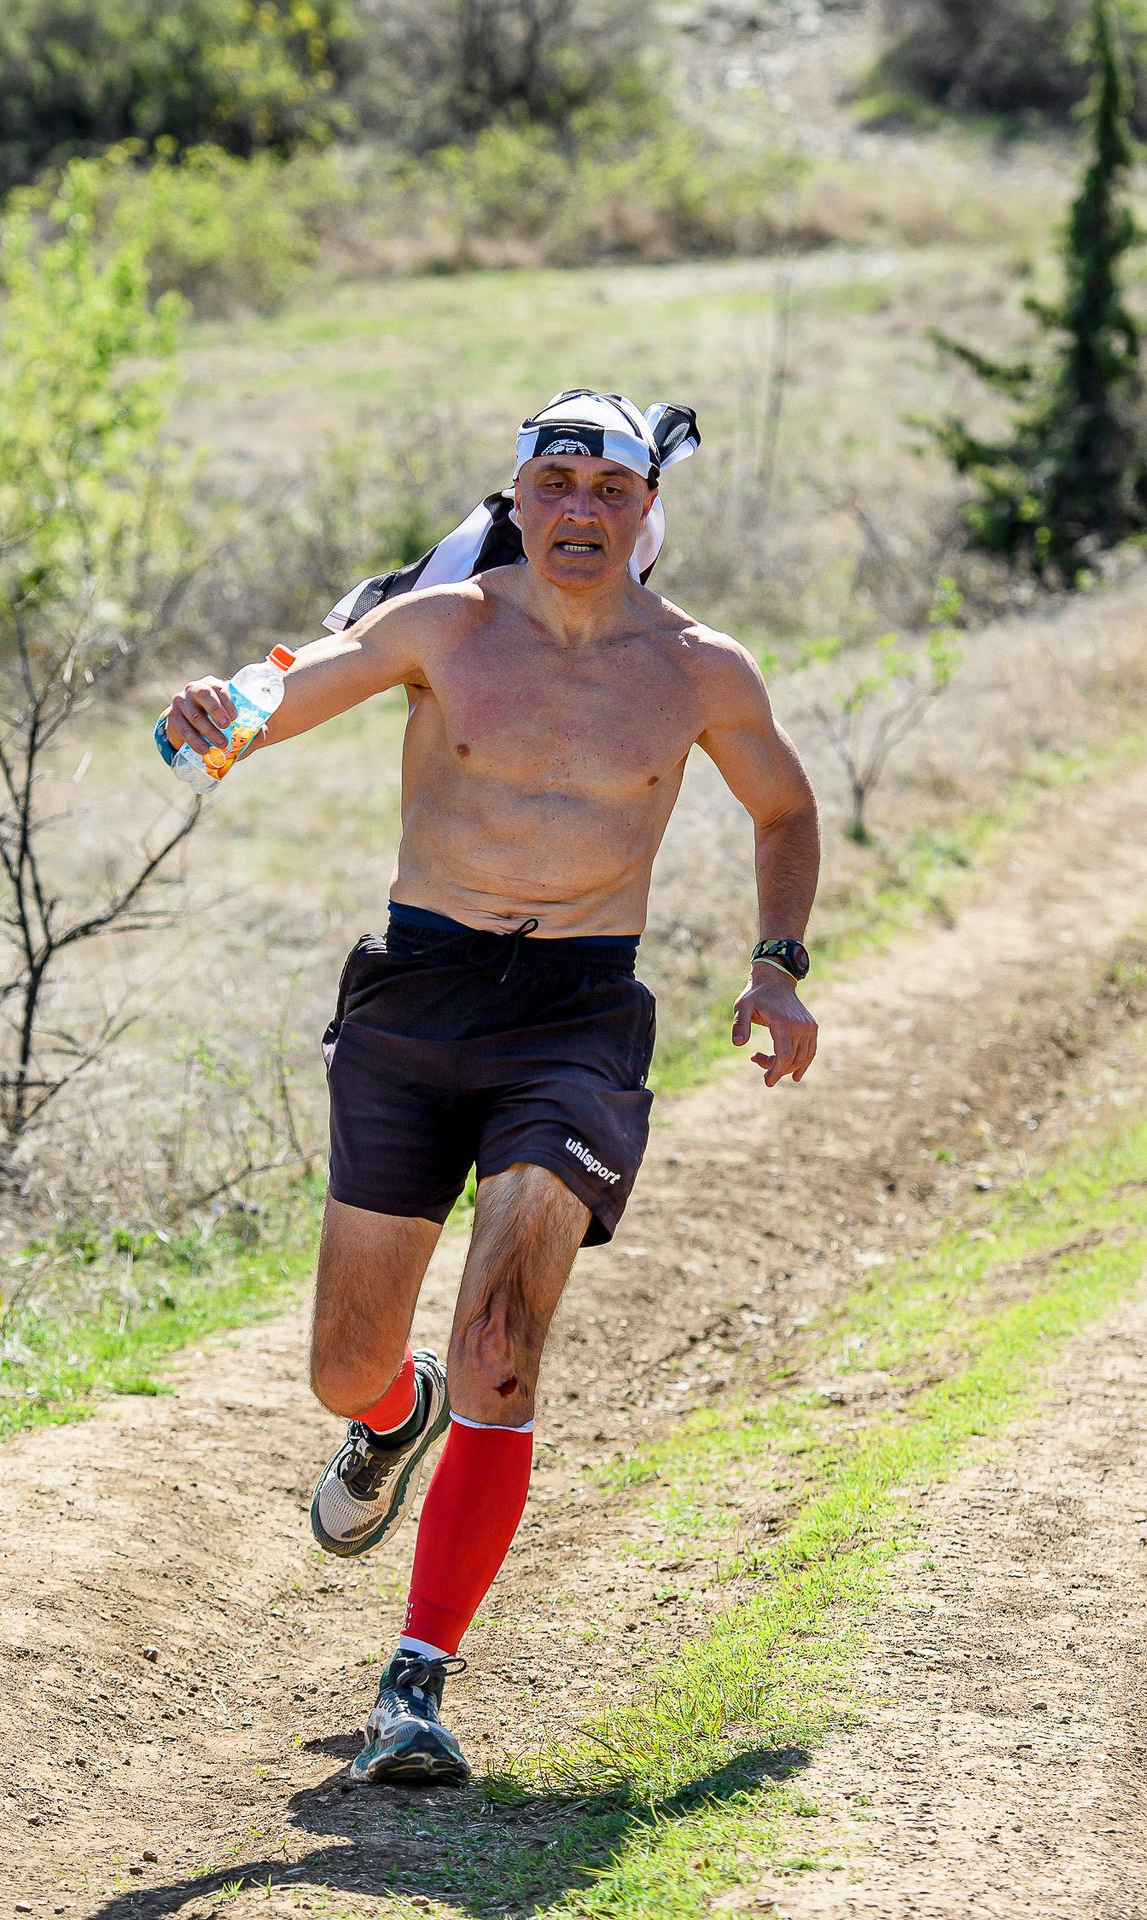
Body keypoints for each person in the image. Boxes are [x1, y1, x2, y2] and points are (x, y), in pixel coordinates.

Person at [159, 390, 824, 1783]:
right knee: (349, 1358)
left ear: (648, 516)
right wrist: (223, 711)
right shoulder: (441, 628)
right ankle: (390, 1416)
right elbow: (300, 683)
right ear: (516, 497)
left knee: (504, 1346)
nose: (582, 509)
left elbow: (784, 809)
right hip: (417, 993)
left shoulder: (699, 669)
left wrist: (776, 965)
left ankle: (416, 1682)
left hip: (579, 1013)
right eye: (556, 481)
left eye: (612, 490)